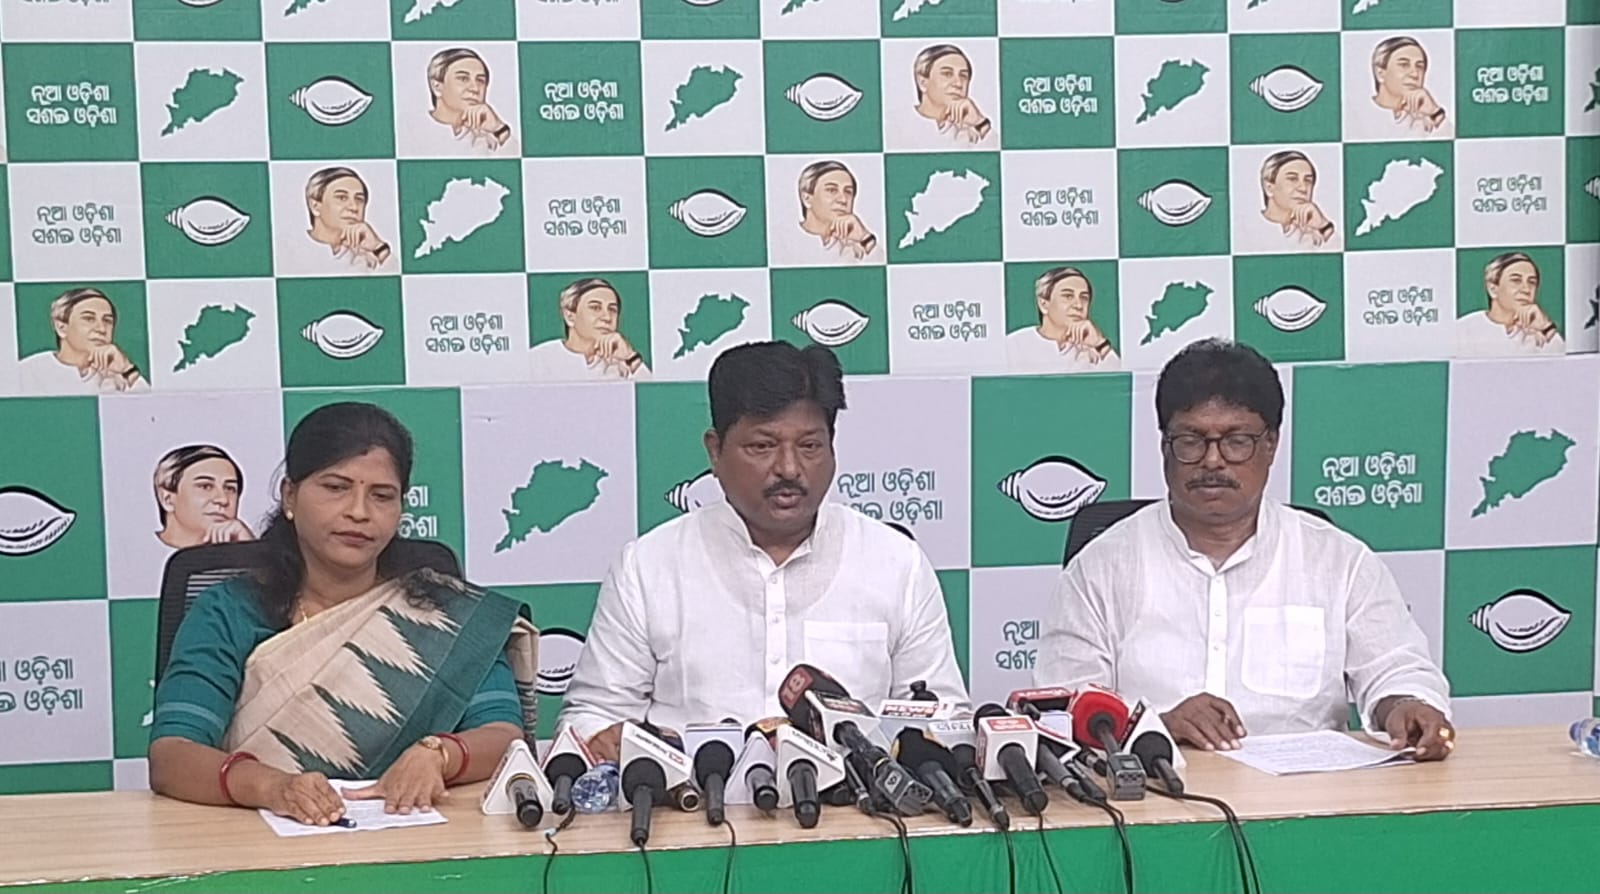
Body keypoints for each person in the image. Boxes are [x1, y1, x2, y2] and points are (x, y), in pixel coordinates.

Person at [1035, 338, 1455, 760]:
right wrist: (1157, 726)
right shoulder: (1101, 568)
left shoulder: (1339, 561)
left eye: (1236, 440)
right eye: (1191, 440)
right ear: (1165, 447)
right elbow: (1062, 712)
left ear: (1271, 445)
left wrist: (1404, 706)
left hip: (1307, 793)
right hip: (1153, 790)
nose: (1212, 461)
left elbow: (1397, 667)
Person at [558, 341, 969, 759]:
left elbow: (944, 720)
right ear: (715, 451)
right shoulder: (648, 568)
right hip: (693, 797)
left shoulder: (896, 564)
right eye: (762, 446)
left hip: (857, 798)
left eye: (809, 446)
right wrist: (606, 739)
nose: (789, 468)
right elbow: (592, 716)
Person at [149, 403, 538, 824]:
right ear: (290, 496)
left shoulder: (444, 615)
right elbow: (173, 755)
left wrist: (439, 755)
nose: (359, 511)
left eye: (381, 496)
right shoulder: (230, 612)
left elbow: (504, 736)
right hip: (261, 840)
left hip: (417, 838)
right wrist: (272, 787)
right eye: (336, 487)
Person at [16, 288, 150, 395]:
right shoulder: (27, 372)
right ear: (61, 328)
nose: (101, 329)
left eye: (107, 320)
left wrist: (127, 369)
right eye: (89, 319)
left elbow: (152, 415)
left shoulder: (119, 375)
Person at [527, 278, 652, 381]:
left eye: (612, 309)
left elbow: (652, 398)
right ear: (569, 317)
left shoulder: (623, 362)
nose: (607, 317)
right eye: (595, 308)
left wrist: (630, 357)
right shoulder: (538, 360)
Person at [281, 167, 395, 274]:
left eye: (359, 199)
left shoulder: (372, 259)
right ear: (315, 206)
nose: (354, 207)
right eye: (342, 198)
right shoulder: (286, 251)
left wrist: (379, 248)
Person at [1004, 266, 1119, 373]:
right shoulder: (1013, 346)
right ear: (1043, 304)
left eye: (1084, 298)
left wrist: (1100, 343)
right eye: (1068, 296)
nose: (1079, 305)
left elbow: (1120, 384)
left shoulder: (1094, 350)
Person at [1456, 252, 1565, 357]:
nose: (1526, 289)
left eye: (1532, 282)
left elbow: (1564, 365)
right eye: (1516, 280)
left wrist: (1546, 327)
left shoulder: (1539, 333)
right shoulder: (1464, 330)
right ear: (1492, 289)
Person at [416, 47, 518, 155]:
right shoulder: (414, 131)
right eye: (463, 79)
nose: (475, 88)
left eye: (480, 80)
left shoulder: (491, 139)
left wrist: (499, 129)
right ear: (436, 87)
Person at [775, 160, 879, 264]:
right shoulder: (780, 241)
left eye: (848, 192)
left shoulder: (859, 247)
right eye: (832, 190)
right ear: (806, 199)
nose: (843, 200)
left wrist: (865, 238)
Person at [153, 444, 256, 549]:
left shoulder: (241, 552)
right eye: (206, 486)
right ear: (167, 499)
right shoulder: (143, 549)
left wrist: (250, 549)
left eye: (229, 488)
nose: (223, 500)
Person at [891, 44, 993, 149]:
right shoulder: (893, 126)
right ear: (922, 83)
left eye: (963, 76)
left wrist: (980, 123)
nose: (958, 84)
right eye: (947, 74)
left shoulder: (974, 133)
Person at [1350, 36, 1451, 139]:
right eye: (1404, 65)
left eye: (1419, 66)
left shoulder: (1427, 120)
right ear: (1380, 74)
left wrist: (1435, 113)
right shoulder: (1353, 116)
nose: (1415, 74)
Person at [1248, 151, 1337, 251]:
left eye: (1308, 180)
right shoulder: (1246, 230)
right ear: (1269, 188)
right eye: (1292, 179)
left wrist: (1324, 226)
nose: (1303, 188)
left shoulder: (1314, 235)